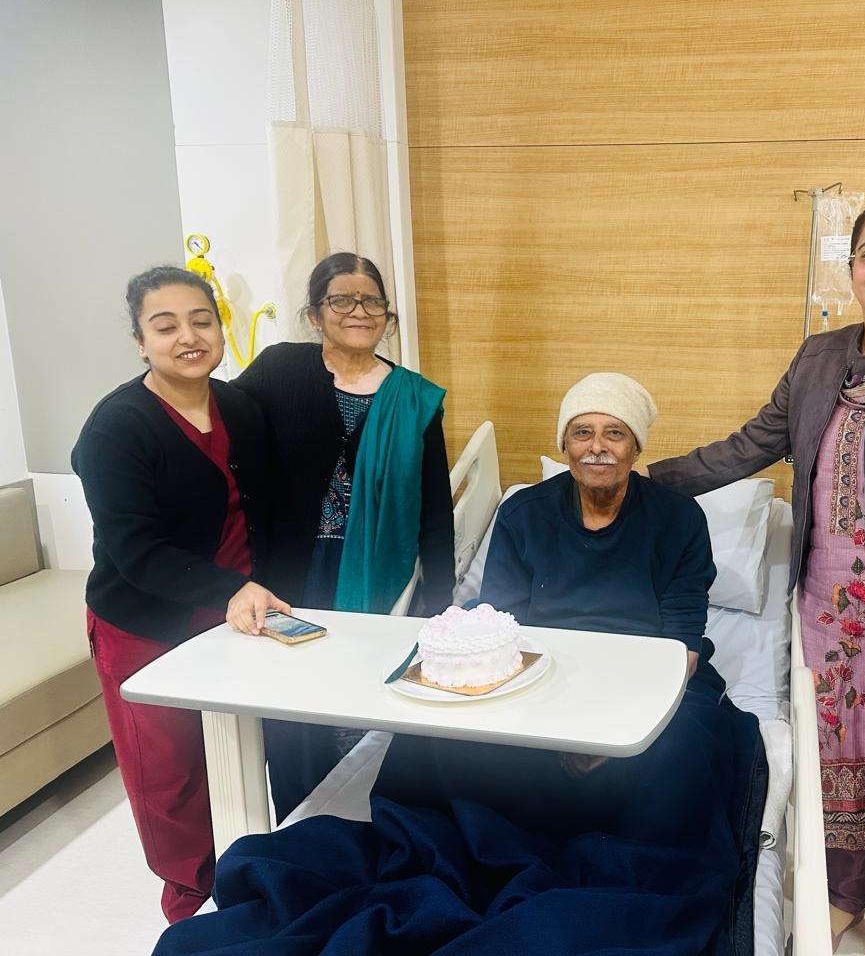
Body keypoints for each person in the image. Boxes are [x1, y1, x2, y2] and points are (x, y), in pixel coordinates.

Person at [152, 373, 766, 955]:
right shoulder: (525, 512)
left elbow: (683, 640)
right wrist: (552, 725)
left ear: (637, 445)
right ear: (564, 444)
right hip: (539, 675)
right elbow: (504, 622)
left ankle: (611, 879)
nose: (597, 447)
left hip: (645, 680)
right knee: (434, 741)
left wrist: (616, 729)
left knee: (688, 750)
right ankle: (478, 853)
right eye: (583, 432)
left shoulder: (678, 518)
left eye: (615, 433)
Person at [647, 195, 865, 955]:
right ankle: (843, 894)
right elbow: (749, 445)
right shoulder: (818, 358)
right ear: (851, 268)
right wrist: (649, 480)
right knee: (834, 755)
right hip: (825, 607)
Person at [71, 267, 288, 921]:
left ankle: (249, 879)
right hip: (146, 623)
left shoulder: (241, 408)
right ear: (141, 342)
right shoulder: (116, 429)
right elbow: (135, 551)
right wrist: (233, 588)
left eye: (201, 321)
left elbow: (265, 512)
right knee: (169, 776)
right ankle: (192, 907)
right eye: (166, 327)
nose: (188, 337)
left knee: (240, 755)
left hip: (236, 619)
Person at [234, 252, 455, 820]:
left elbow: (434, 508)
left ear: (387, 315)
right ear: (314, 314)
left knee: (360, 694)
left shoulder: (414, 398)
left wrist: (441, 600)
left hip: (377, 569)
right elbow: (226, 434)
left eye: (372, 300)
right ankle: (298, 820)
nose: (359, 311)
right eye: (342, 299)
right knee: (289, 701)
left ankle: (363, 821)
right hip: (290, 571)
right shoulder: (280, 372)